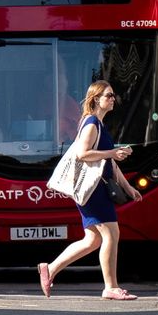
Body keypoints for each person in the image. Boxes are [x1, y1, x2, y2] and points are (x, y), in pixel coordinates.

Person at [37, 80, 142, 300]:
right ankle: (110, 287)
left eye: (113, 95)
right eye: (109, 95)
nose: (113, 99)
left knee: (92, 240)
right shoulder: (91, 123)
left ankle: (51, 268)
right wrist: (111, 153)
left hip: (98, 188)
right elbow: (82, 154)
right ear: (96, 99)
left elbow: (109, 164)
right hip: (92, 191)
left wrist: (128, 187)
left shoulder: (100, 124)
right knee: (111, 234)